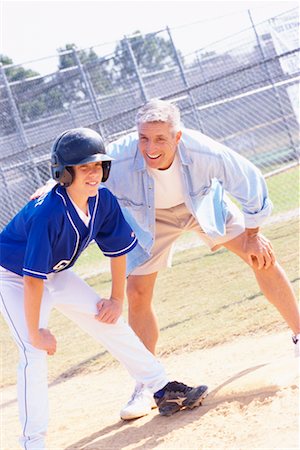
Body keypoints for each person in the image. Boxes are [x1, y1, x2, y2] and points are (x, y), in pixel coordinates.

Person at [32, 99, 300, 421]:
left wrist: (254, 234)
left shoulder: (204, 152)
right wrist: (48, 189)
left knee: (262, 257)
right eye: (144, 138)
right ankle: (147, 385)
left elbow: (251, 182)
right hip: (151, 219)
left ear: (178, 137)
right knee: (137, 293)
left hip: (201, 206)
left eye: (160, 138)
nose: (150, 147)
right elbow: (81, 170)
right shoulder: (121, 155)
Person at [0, 128, 208, 450]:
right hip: (13, 277)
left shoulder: (102, 201)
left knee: (108, 319)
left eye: (98, 166)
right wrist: (36, 330)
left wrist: (115, 299)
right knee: (33, 352)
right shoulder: (48, 212)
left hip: (57, 272)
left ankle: (161, 387)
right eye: (84, 167)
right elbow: (32, 279)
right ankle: (33, 443)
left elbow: (117, 251)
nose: (93, 173)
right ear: (64, 172)